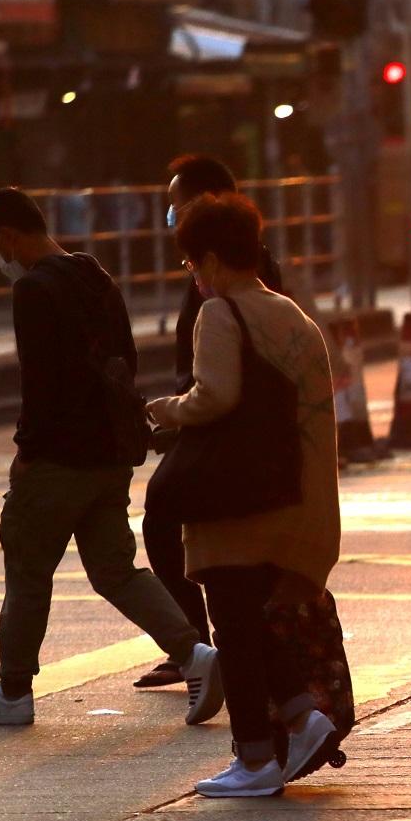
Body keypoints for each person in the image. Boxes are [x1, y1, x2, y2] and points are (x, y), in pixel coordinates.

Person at [0, 189, 221, 727]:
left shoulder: (33, 291)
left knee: (27, 566)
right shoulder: (95, 274)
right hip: (111, 451)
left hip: (58, 458)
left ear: (8, 236)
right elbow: (127, 359)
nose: (0, 260)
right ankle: (196, 654)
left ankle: (13, 691)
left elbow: (40, 385)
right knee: (115, 570)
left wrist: (27, 453)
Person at [146, 194, 340, 797]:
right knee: (252, 624)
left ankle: (255, 758)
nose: (193, 277)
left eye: (191, 265)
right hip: (294, 498)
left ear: (208, 257)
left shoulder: (221, 313)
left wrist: (165, 410)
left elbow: (216, 396)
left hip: (238, 503)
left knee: (232, 625)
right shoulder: (291, 314)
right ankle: (304, 718)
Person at [136, 154, 286, 690]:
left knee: (180, 528)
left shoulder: (232, 284)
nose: (171, 217)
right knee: (176, 529)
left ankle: (206, 653)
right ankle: (200, 648)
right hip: (211, 425)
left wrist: (172, 412)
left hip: (224, 433)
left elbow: (222, 386)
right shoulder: (217, 270)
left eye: (176, 205)